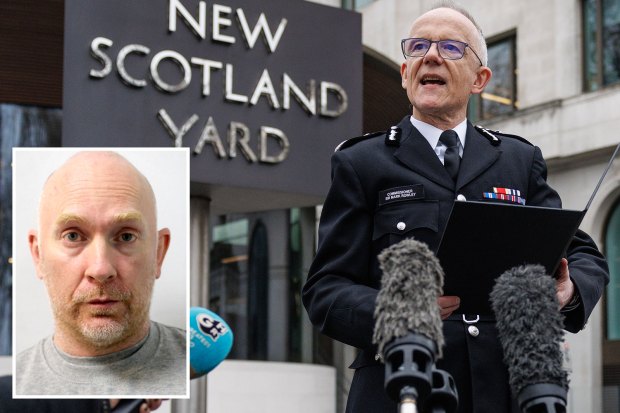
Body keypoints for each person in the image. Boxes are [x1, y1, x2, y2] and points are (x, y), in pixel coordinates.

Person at [302, 3, 609, 413]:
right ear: (405, 72)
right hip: (401, 391)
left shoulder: (518, 160)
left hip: (505, 393)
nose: (430, 55)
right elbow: (325, 291)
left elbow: (583, 255)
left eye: (450, 47)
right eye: (418, 46)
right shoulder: (362, 163)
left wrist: (567, 291)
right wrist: (401, 311)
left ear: (480, 78)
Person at [15, 151, 186, 396]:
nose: (101, 269)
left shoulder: (193, 365)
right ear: (38, 255)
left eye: (126, 236)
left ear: (159, 252)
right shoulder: (14, 387)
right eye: (73, 236)